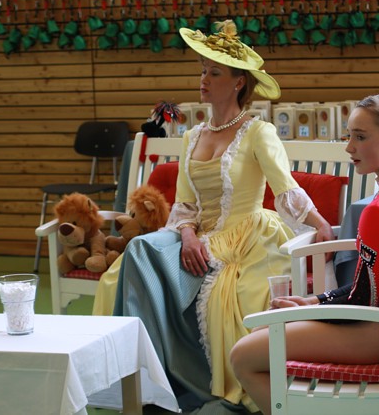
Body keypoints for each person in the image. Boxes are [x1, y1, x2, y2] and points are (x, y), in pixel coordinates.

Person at [96, 20, 333, 412]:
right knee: (136, 254)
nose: (204, 79)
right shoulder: (192, 137)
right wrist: (188, 236)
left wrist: (320, 224)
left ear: (238, 82)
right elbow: (184, 206)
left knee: (234, 294)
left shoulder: (258, 132)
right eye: (203, 71)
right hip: (196, 235)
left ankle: (189, 381)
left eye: (215, 73)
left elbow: (285, 189)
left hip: (248, 237)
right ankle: (143, 382)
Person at [229, 94, 379, 414]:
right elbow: (370, 289)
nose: (349, 147)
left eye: (360, 137)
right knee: (262, 337)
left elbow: (363, 302)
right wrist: (313, 301)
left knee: (243, 355)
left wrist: (305, 311)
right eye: (348, 135)